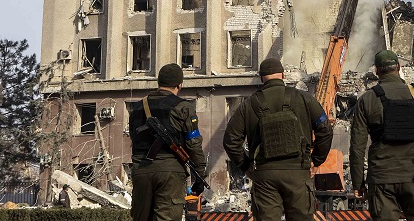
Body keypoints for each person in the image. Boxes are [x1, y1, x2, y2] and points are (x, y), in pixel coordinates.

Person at [223, 58, 333, 221]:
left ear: (261, 78)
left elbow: (230, 141)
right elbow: (325, 130)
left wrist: (246, 166)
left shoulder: (249, 104)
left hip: (265, 176)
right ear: (283, 74)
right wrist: (316, 161)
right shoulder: (304, 98)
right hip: (298, 174)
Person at [350, 50, 414, 221]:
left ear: (376, 70)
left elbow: (357, 146)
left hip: (381, 179)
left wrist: (358, 183)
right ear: (399, 67)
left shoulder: (367, 100)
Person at [128, 63, 206, 221]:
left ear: (159, 82)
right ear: (180, 84)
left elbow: (133, 138)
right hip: (170, 173)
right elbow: (194, 144)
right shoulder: (183, 107)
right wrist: (199, 176)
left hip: (141, 170)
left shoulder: (137, 107)